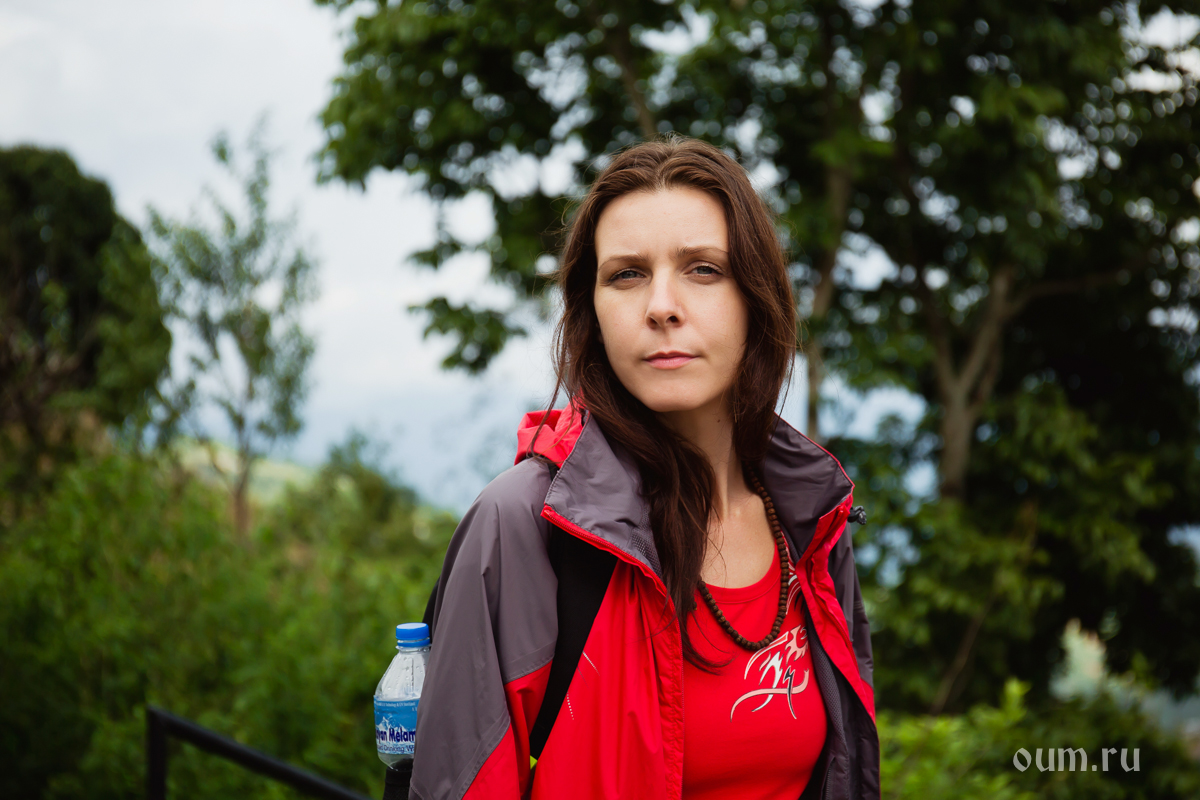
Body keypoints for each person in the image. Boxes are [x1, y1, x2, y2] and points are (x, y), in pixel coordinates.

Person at [411, 134, 879, 800]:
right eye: (626, 274)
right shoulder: (523, 527)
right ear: (592, 311)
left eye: (703, 269)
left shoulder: (812, 517)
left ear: (756, 298)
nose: (661, 305)